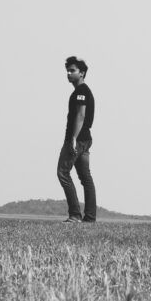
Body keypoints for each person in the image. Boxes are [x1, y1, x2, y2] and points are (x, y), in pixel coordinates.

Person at [57, 56, 97, 223]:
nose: (69, 73)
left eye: (72, 70)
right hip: (85, 140)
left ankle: (75, 215)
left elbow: (80, 115)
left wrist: (73, 139)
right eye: (67, 71)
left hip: (78, 140)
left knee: (63, 173)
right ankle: (90, 217)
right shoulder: (81, 91)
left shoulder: (81, 92)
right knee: (85, 177)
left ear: (82, 73)